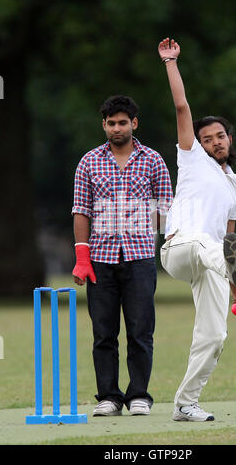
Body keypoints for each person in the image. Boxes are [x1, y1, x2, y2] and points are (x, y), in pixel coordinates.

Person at [158, 38, 236, 422]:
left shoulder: (234, 188)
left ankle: (185, 403)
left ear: (229, 140)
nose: (214, 142)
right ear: (198, 144)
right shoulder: (192, 159)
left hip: (212, 260)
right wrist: (170, 62)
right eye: (207, 138)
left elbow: (230, 238)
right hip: (179, 249)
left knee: (215, 337)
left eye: (220, 136)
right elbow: (182, 106)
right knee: (202, 241)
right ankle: (227, 265)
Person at [71, 95, 173, 417]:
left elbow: (166, 209)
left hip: (140, 256)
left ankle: (139, 394)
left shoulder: (153, 160)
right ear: (104, 125)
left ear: (134, 123)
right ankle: (109, 397)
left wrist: (150, 227)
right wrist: (82, 256)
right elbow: (81, 210)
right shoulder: (89, 161)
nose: (117, 128)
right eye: (111, 123)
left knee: (141, 329)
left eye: (122, 122)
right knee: (103, 332)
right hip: (100, 258)